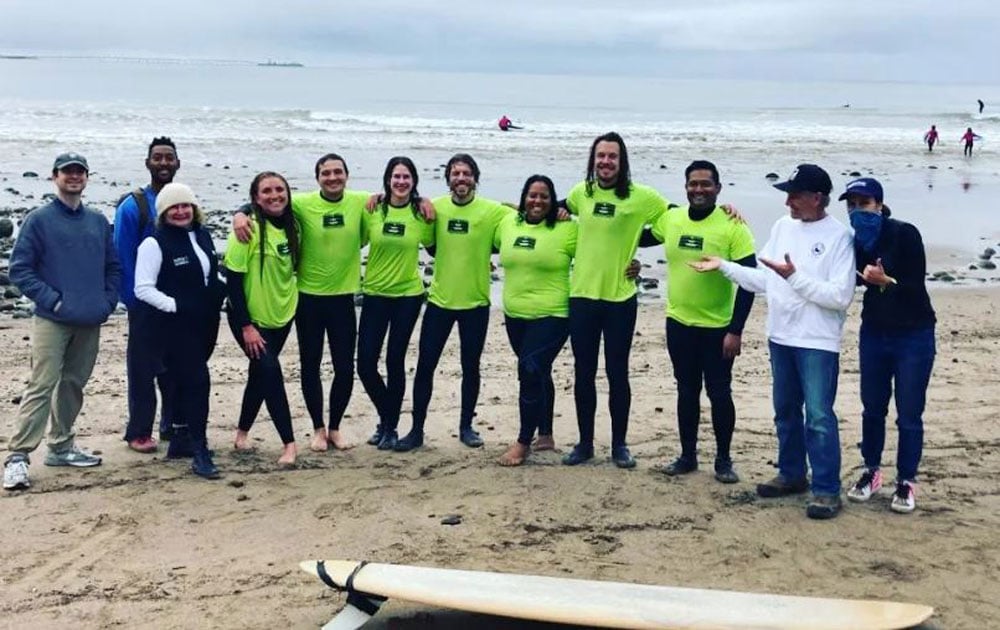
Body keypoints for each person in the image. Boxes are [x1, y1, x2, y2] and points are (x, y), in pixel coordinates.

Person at [689, 164, 855, 519]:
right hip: (781, 336)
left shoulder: (840, 236)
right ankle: (792, 474)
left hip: (817, 341)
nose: (788, 202)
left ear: (817, 198)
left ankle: (827, 489)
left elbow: (840, 297)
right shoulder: (782, 228)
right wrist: (724, 266)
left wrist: (794, 278)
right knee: (785, 412)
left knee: (819, 417)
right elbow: (764, 279)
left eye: (794, 195)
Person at [3, 152, 121, 491]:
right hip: (52, 320)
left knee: (72, 384)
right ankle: (18, 457)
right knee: (41, 384)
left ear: (87, 178)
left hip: (90, 319)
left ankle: (61, 446)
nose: (73, 177)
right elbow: (20, 269)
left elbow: (112, 267)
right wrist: (53, 300)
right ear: (54, 177)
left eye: (79, 172)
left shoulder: (97, 221)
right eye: (67, 172)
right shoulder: (39, 219)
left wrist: (107, 302)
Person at [234, 154, 366, 452]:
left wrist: (420, 200)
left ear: (347, 175)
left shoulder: (361, 201)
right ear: (317, 178)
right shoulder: (301, 204)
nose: (332, 177)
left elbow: (392, 199)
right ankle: (318, 429)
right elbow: (266, 204)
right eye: (325, 173)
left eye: (338, 172)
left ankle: (335, 428)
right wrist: (240, 214)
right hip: (308, 300)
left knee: (345, 367)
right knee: (310, 365)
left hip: (343, 299)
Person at [640, 161, 757, 483]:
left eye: (706, 184)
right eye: (693, 184)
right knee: (686, 390)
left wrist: (736, 330)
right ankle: (687, 456)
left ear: (718, 188)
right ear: (685, 187)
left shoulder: (733, 226)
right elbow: (637, 236)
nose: (699, 189)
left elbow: (749, 282)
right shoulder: (672, 218)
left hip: (717, 327)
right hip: (678, 322)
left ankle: (723, 460)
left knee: (719, 392)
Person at [561, 132, 669, 469]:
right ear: (593, 160)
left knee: (617, 372)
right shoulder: (581, 193)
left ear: (622, 162)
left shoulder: (642, 197)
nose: (605, 162)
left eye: (612, 157)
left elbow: (673, 220)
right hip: (582, 296)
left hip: (620, 299)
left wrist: (636, 244)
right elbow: (555, 208)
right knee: (583, 372)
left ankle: (620, 445)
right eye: (601, 156)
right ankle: (585, 443)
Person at [393, 154, 512, 452]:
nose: (461, 178)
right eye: (456, 173)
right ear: (448, 178)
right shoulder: (435, 207)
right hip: (440, 302)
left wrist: (558, 212)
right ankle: (416, 430)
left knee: (471, 367)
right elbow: (421, 232)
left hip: (475, 303)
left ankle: (466, 427)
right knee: (425, 367)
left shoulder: (491, 211)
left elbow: (522, 214)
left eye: (466, 173)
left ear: (475, 178)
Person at [838, 178, 936, 514]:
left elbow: (915, 284)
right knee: (872, 407)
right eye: (851, 205)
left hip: (914, 333)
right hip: (875, 332)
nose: (857, 211)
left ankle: (906, 480)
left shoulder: (904, 233)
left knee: (909, 412)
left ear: (879, 205)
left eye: (864, 204)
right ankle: (871, 471)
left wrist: (886, 281)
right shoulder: (855, 241)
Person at [133, 183, 226, 478]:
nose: (181, 211)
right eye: (174, 207)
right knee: (198, 382)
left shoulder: (202, 235)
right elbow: (142, 288)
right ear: (163, 212)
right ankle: (200, 450)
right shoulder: (153, 243)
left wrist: (223, 291)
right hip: (172, 327)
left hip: (204, 323)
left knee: (184, 383)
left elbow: (210, 274)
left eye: (186, 205)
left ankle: (181, 440)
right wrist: (176, 305)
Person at [494, 175, 576, 466]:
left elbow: (598, 253)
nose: (537, 201)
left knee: (529, 370)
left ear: (553, 201)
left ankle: (522, 442)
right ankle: (546, 434)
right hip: (515, 315)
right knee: (539, 371)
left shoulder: (568, 229)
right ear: (523, 198)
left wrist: (632, 263)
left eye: (544, 196)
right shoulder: (507, 223)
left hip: (553, 314)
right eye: (532, 195)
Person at [357, 157, 435, 451]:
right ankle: (387, 416)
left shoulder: (422, 213)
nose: (401, 182)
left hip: (407, 297)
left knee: (394, 361)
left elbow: (436, 246)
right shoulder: (372, 210)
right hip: (375, 294)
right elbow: (353, 238)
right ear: (388, 180)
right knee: (365, 364)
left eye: (406, 177)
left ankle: (389, 428)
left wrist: (426, 201)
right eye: (396, 176)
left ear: (414, 181)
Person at [224, 172, 300, 465]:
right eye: (266, 191)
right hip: (250, 320)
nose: (274, 195)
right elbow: (233, 282)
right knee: (271, 373)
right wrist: (247, 326)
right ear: (255, 197)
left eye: (280, 189)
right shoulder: (247, 230)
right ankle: (289, 445)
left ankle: (241, 435)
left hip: (282, 315)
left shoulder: (295, 224)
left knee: (260, 375)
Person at [114, 136, 180, 452]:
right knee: (142, 371)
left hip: (176, 303)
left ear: (178, 163)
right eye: (158, 157)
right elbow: (122, 255)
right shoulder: (134, 205)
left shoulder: (182, 202)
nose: (164, 162)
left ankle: (171, 425)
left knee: (176, 367)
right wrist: (132, 301)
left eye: (169, 157)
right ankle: (139, 431)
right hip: (143, 303)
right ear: (148, 163)